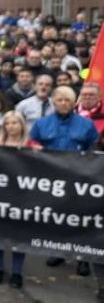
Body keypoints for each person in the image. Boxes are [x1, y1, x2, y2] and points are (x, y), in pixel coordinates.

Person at [31, 86, 99, 276]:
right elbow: (32, 147)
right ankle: (59, 252)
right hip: (52, 181)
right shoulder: (41, 123)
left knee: (81, 219)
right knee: (58, 218)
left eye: (67, 100)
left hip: (80, 180)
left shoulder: (86, 124)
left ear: (73, 103)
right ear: (53, 101)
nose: (63, 103)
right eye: (60, 100)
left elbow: (92, 151)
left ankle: (83, 258)